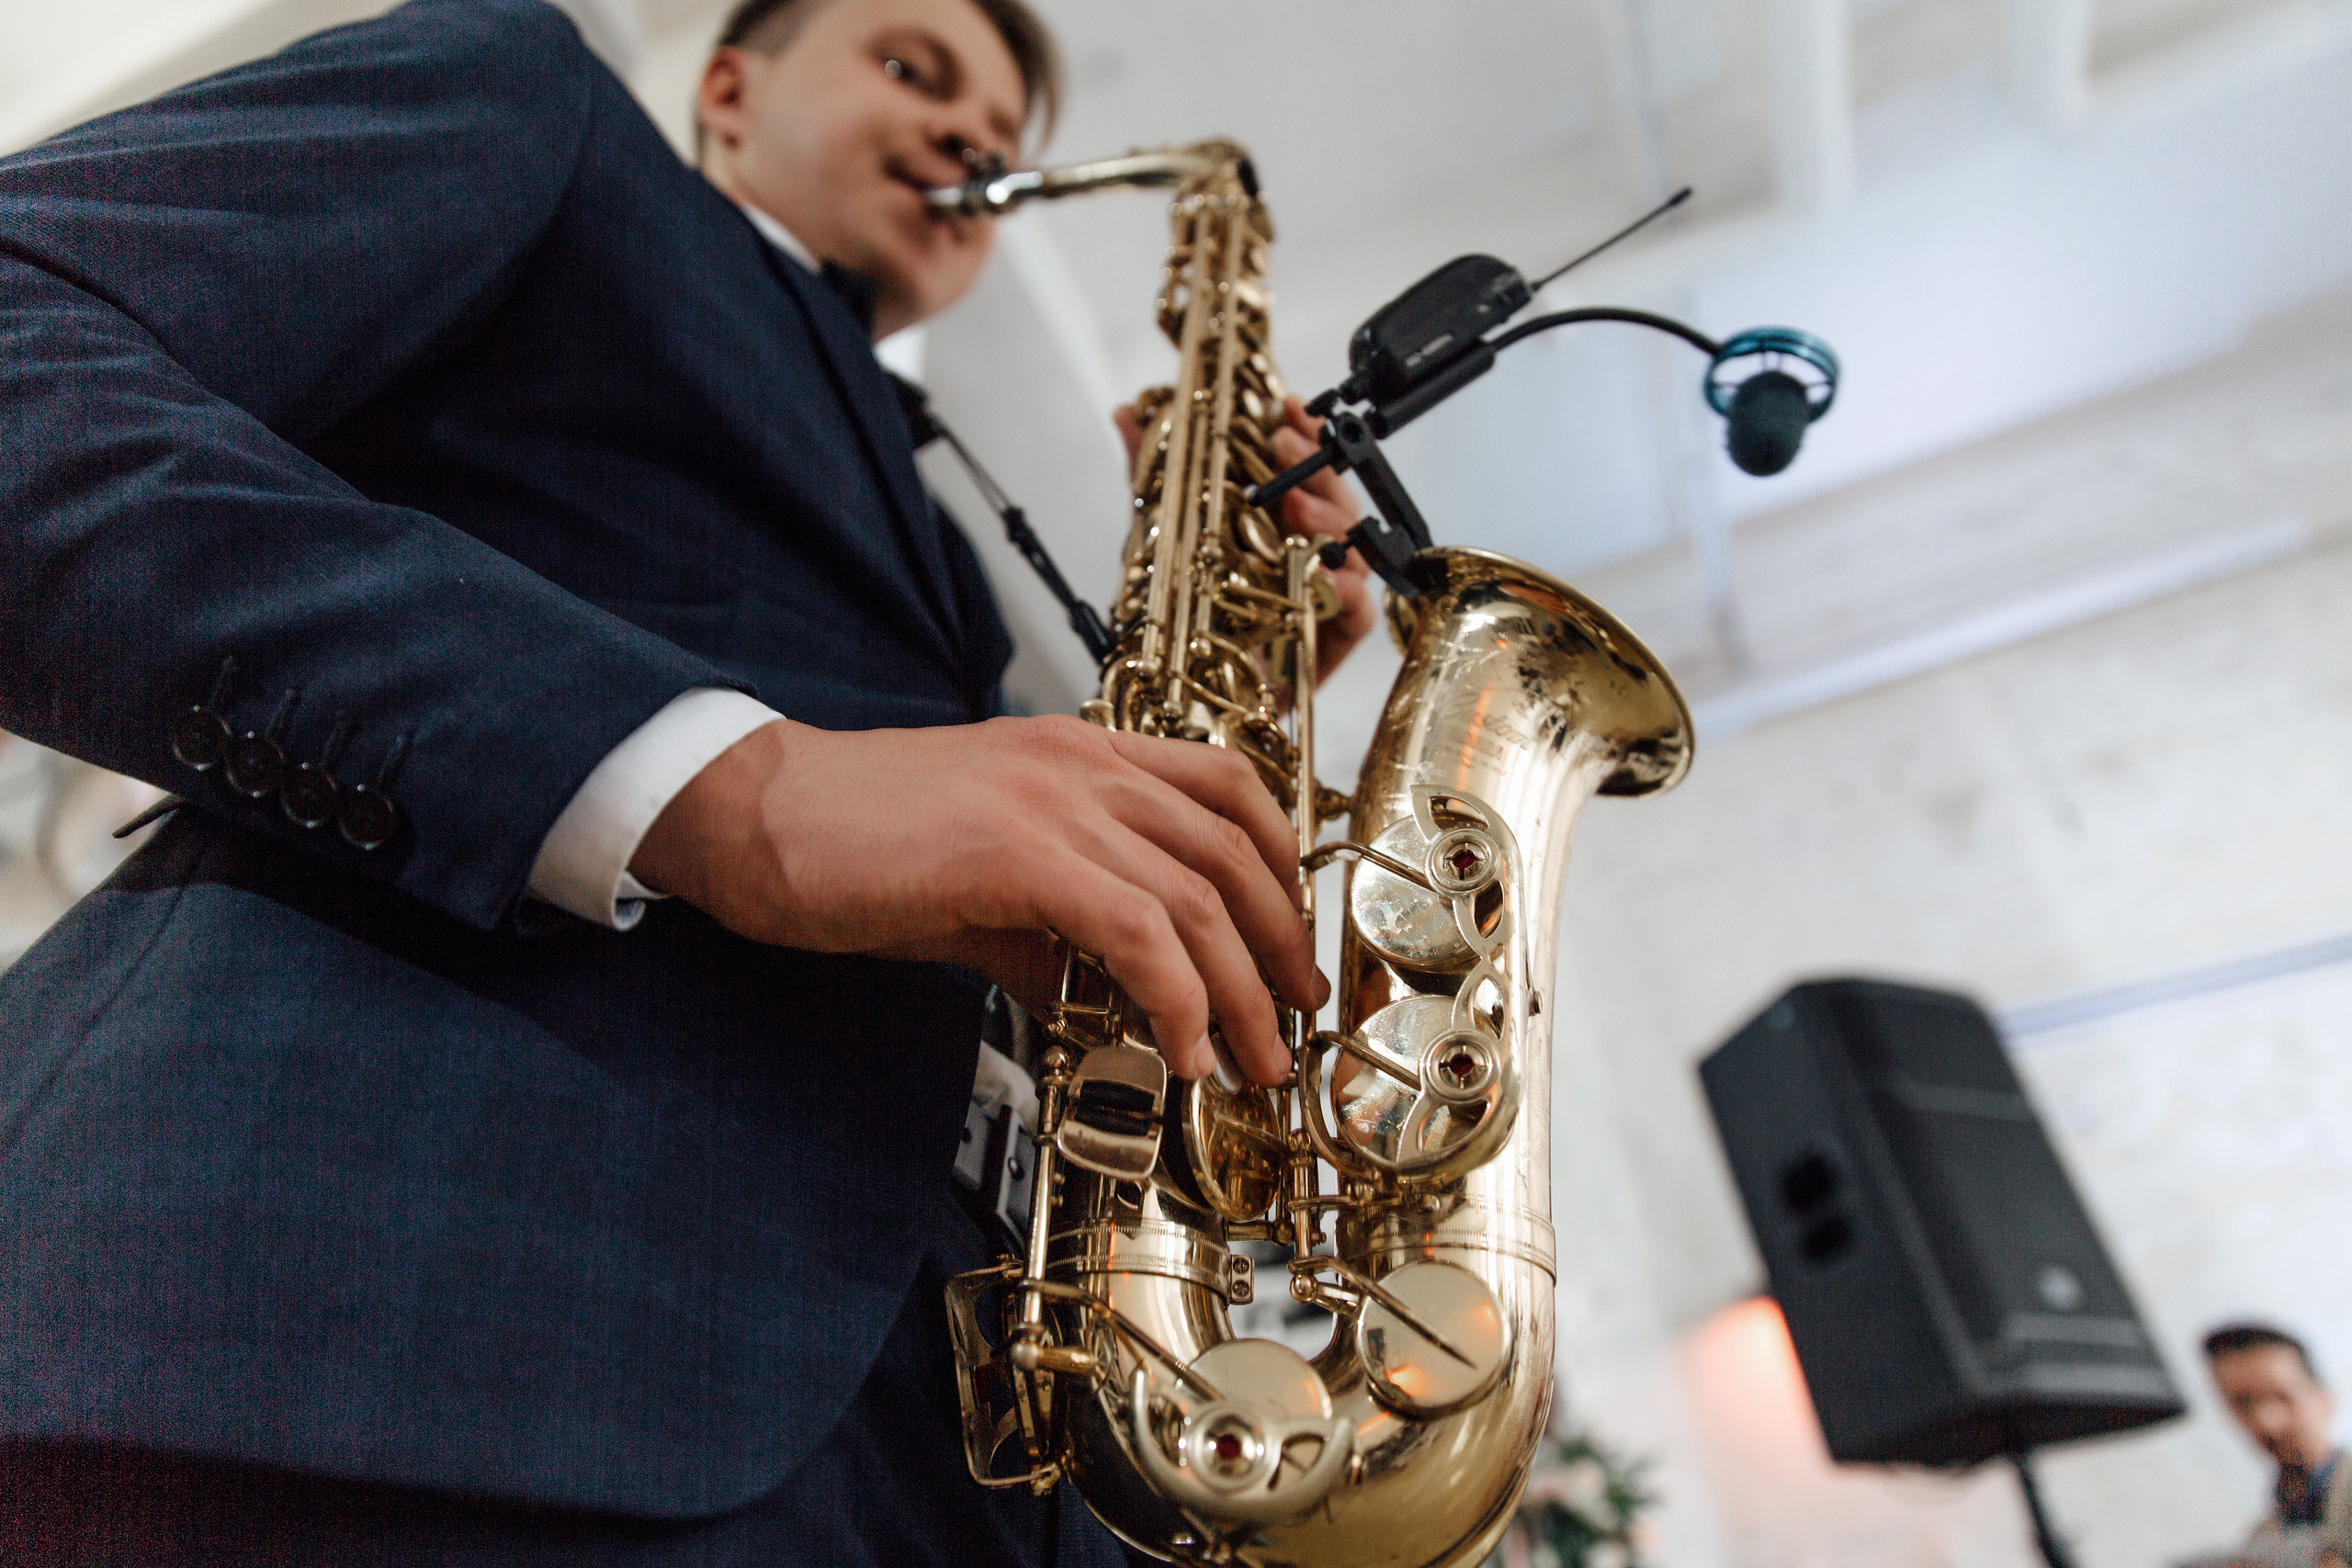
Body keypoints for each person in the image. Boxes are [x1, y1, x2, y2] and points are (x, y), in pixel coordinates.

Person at [0, 0, 1369, 1562]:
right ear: (729, 87)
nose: (967, 137)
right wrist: (730, 786)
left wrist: (1241, 691)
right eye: (910, 66)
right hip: (386, 1336)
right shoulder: (550, 111)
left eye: (1001, 130)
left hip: (945, 1454)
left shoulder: (944, 550)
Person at [2205, 1324, 2352, 1568]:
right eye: (2243, 1404)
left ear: (2325, 1399)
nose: (2267, 1422)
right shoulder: (2260, 1543)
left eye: (2282, 1396)